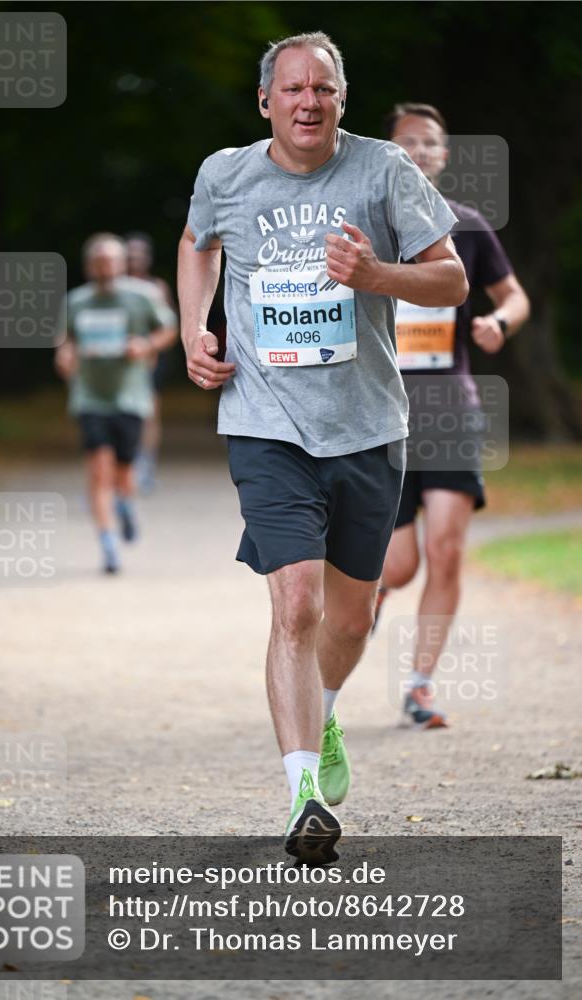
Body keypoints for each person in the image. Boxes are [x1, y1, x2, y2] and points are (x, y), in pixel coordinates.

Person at [178, 33, 468, 862]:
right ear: (265, 101)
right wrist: (194, 328)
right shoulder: (225, 173)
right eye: (294, 88)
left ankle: (326, 707)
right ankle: (303, 793)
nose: (309, 101)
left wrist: (376, 276)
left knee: (350, 615)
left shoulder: (382, 170)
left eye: (325, 89)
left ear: (342, 99)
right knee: (295, 604)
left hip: (369, 426)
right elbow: (197, 245)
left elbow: (448, 280)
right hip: (264, 422)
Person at [377, 104, 530, 728]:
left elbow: (514, 295)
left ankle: (419, 686)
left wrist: (499, 321)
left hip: (450, 412)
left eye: (430, 143)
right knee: (400, 564)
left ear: (444, 156)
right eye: (406, 142)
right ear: (389, 153)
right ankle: (375, 592)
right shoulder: (368, 228)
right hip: (381, 416)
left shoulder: (466, 227)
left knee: (445, 550)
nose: (418, 151)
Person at [55, 233, 177, 573]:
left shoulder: (143, 297)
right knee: (98, 467)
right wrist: (64, 355)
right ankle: (108, 543)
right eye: (98, 261)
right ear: (88, 266)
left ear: (122, 264)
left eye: (110, 260)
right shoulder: (76, 301)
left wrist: (146, 345)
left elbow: (168, 329)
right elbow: (65, 338)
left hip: (130, 396)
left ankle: (125, 505)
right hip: (89, 396)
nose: (104, 267)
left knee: (124, 471)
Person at [125, 232, 176, 494]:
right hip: (117, 362)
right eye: (130, 254)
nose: (135, 259)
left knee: (150, 413)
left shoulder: (157, 287)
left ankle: (145, 465)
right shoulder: (113, 287)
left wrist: (151, 346)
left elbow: (168, 326)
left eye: (139, 254)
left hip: (149, 360)